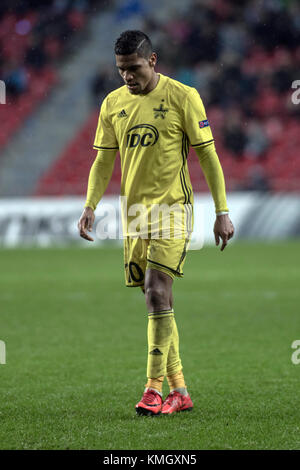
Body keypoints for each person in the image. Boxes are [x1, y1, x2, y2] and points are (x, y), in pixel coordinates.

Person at [78, 30, 234, 416]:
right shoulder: (113, 103)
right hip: (133, 215)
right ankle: (180, 390)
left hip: (173, 209)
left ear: (152, 60)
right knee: (159, 301)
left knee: (156, 290)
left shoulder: (184, 96)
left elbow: (208, 157)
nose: (127, 77)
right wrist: (90, 205)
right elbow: (102, 161)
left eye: (133, 68)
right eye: (121, 70)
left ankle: (151, 389)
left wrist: (222, 211)